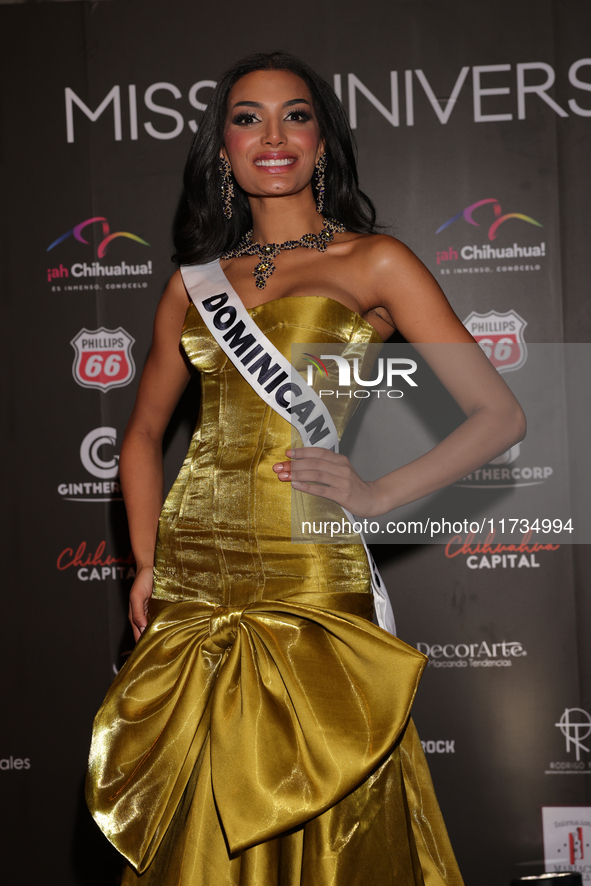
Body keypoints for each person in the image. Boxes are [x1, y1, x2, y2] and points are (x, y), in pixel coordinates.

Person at [86, 51, 525, 885]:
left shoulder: (373, 262)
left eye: (296, 115)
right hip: (194, 576)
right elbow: (141, 434)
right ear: (223, 149)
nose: (273, 135)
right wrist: (146, 561)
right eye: (247, 118)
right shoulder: (193, 285)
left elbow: (499, 417)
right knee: (200, 815)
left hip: (306, 564)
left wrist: (376, 493)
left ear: (321, 143)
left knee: (326, 800)